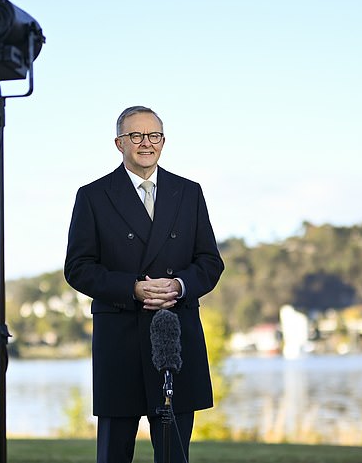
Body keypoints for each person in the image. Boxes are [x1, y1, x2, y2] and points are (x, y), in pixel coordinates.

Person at [64, 105, 224, 463]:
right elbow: (77, 268)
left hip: (174, 339)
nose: (145, 143)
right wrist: (132, 288)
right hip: (119, 342)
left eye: (153, 136)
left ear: (163, 142)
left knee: (173, 456)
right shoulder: (93, 196)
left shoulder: (189, 192)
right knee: (114, 455)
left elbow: (211, 262)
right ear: (119, 143)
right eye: (136, 136)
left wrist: (181, 285)